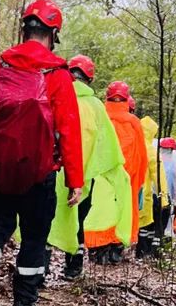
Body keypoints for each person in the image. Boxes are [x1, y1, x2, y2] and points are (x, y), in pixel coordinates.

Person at [0, 0, 83, 306]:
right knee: (34, 235)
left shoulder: (0, 65)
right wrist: (75, 179)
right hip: (40, 172)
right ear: (53, 33)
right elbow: (69, 131)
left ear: (25, 30)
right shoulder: (58, 75)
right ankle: (24, 301)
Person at [48, 55, 130, 279]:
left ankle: (40, 271)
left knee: (45, 218)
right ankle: (73, 268)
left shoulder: (53, 96)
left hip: (52, 172)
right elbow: (107, 146)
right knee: (80, 219)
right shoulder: (95, 106)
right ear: (90, 78)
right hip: (84, 177)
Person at [94, 81, 147, 265]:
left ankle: (98, 249)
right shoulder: (134, 122)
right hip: (126, 179)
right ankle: (115, 249)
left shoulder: (99, 117)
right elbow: (141, 155)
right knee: (121, 212)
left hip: (100, 176)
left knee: (99, 211)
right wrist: (138, 180)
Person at [137, 112, 168, 259]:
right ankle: (142, 252)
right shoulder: (151, 151)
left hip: (127, 189)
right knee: (145, 223)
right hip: (145, 192)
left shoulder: (131, 144)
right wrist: (164, 198)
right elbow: (159, 176)